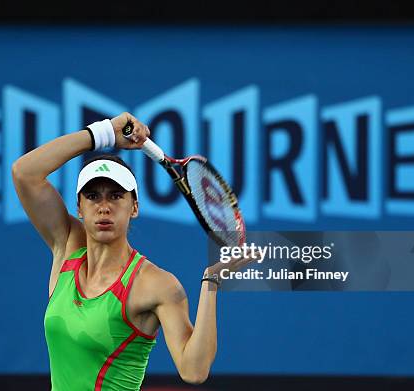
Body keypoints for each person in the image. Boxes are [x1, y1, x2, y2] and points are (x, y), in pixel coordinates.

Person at [12, 112, 247, 391]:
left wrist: (211, 283)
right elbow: (24, 173)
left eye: (115, 195)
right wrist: (104, 133)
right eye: (92, 196)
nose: (104, 206)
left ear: (134, 207)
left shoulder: (155, 284)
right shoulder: (67, 247)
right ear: (79, 208)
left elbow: (194, 371)